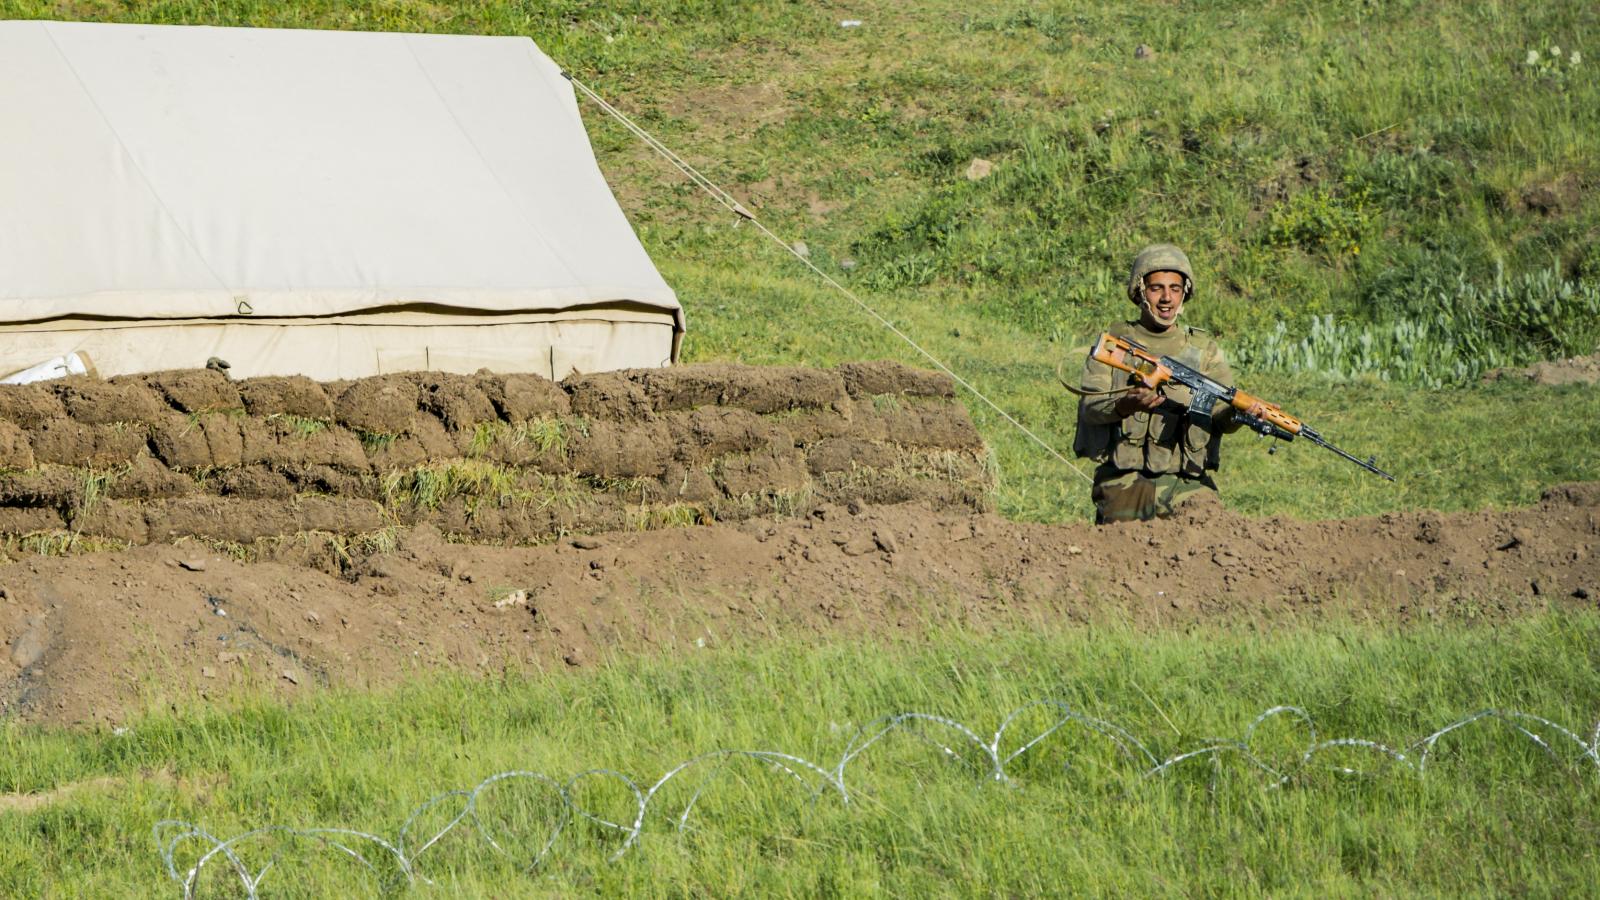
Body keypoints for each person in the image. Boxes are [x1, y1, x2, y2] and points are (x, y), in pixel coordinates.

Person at [1073, 243, 1259, 524]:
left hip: (1187, 482)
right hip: (1125, 480)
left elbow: (1220, 417)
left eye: (1174, 288)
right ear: (1139, 291)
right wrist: (1125, 405)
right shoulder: (1116, 345)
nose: (1166, 298)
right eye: (1156, 288)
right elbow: (1091, 407)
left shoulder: (1204, 350)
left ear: (1185, 293)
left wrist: (1240, 414)